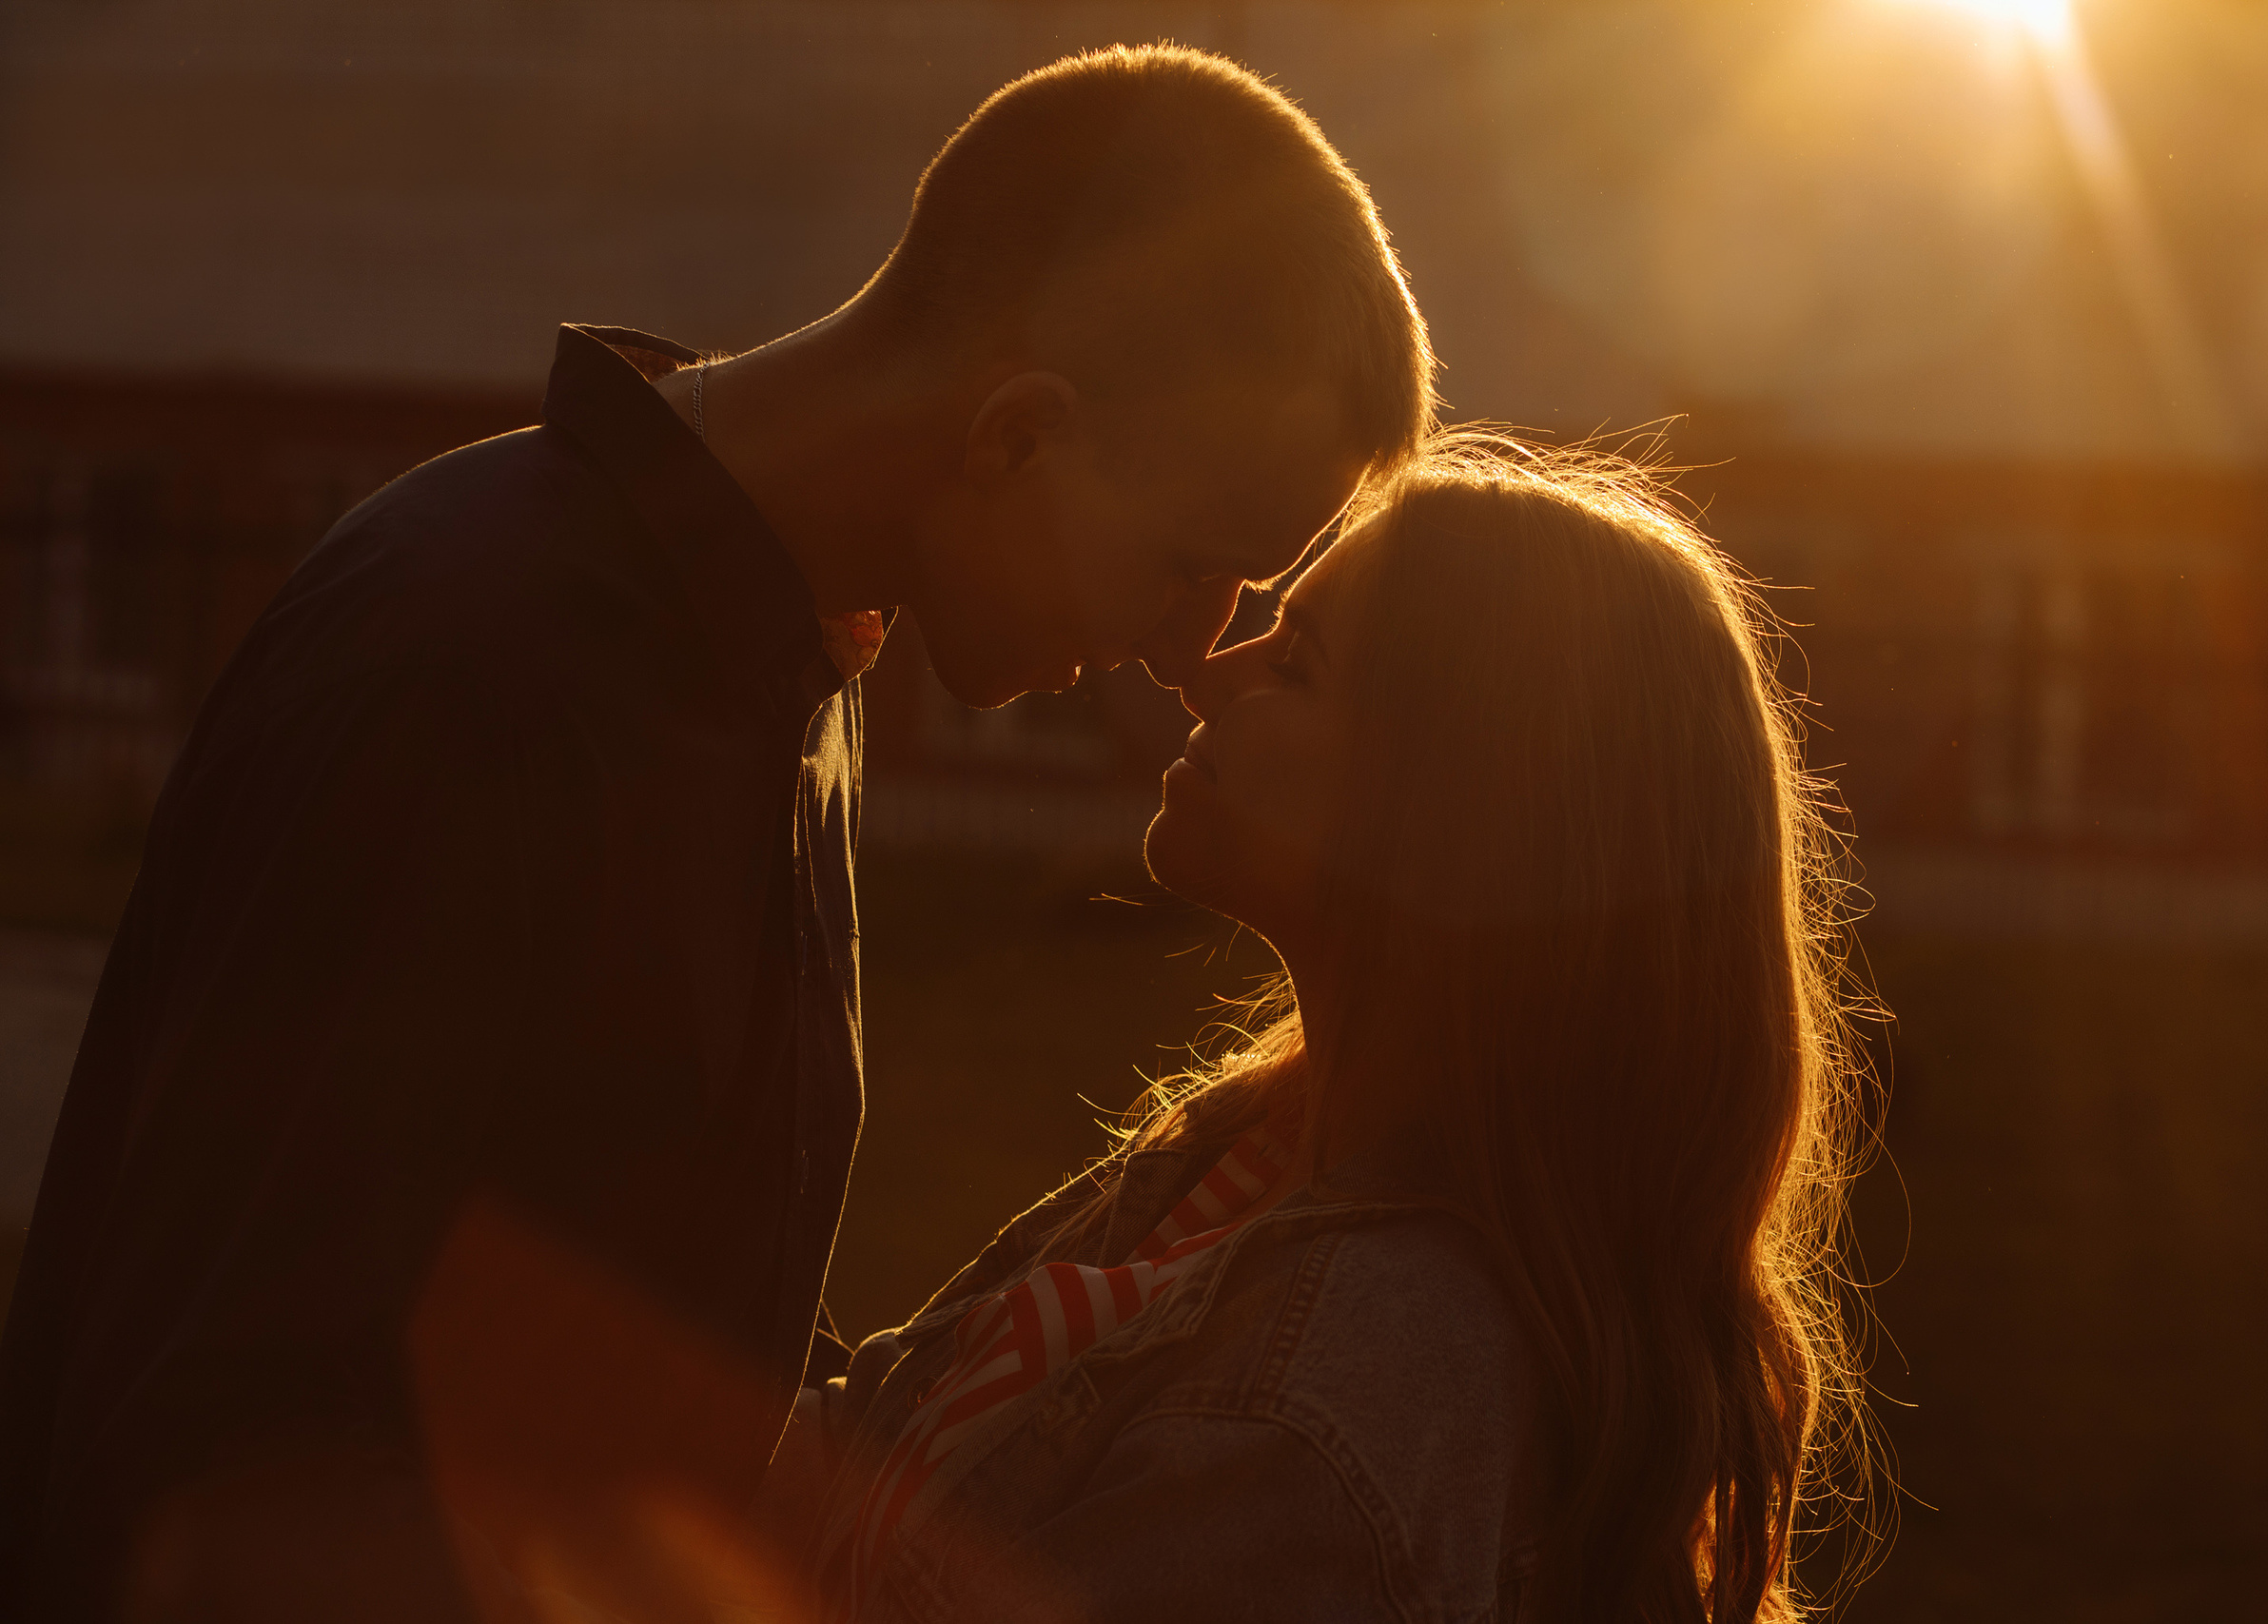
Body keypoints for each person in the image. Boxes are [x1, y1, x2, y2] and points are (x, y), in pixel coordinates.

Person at [0, 45, 1432, 1622]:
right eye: (1190, 564)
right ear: (1017, 435)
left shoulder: (792, 671)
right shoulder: (481, 665)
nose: (1191, 647)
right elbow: (223, 1462)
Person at [756, 442, 1873, 1624]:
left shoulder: (1331, 1418)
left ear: (1453, 810)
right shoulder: (1254, 1154)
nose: (1207, 674)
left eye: (1294, 663)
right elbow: (847, 1449)